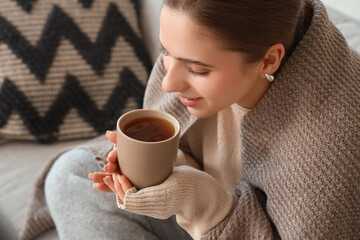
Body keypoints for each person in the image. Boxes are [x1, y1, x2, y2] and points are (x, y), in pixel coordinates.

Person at [44, 0, 360, 239]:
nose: (168, 84)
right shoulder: (200, 45)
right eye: (166, 52)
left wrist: (198, 198)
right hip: (203, 211)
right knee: (72, 176)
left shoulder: (328, 147)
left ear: (269, 59)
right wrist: (158, 167)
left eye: (198, 70)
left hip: (236, 225)